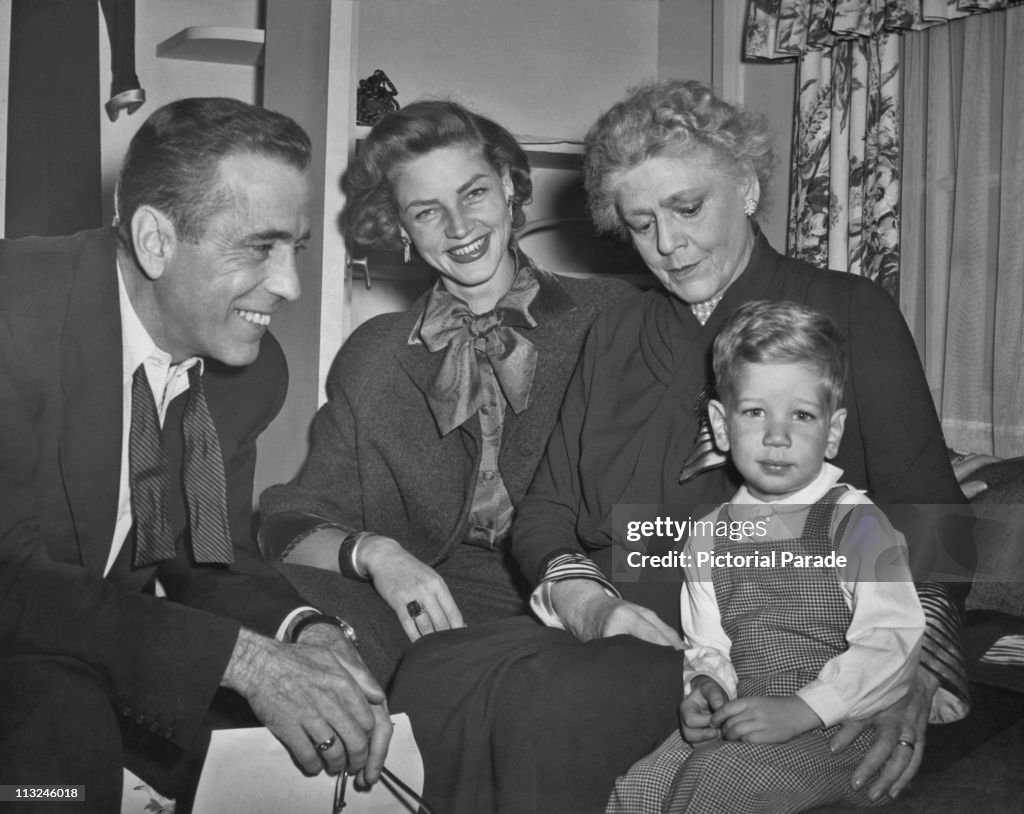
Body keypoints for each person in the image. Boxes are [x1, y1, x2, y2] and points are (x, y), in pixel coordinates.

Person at [390, 80, 974, 812]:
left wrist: (912, 675)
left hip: (748, 649)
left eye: (688, 208)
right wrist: (584, 600)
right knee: (437, 669)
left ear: (749, 187)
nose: (668, 243)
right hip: (608, 620)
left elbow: (935, 518)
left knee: (550, 703)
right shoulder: (617, 331)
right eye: (639, 224)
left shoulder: (850, 311)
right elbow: (546, 509)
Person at [0, 98, 390, 812]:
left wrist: (305, 634)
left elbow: (207, 557)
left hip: (88, 646)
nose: (290, 287)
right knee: (60, 732)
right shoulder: (10, 316)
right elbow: (9, 582)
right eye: (258, 247)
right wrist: (244, 660)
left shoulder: (251, 374)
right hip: (29, 650)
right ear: (155, 239)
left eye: (295, 248)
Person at [259, 100, 631, 682]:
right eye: (427, 211)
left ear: (508, 184)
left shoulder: (613, 316)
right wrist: (378, 555)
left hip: (589, 597)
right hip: (430, 612)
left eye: (474, 193)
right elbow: (288, 523)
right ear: (401, 227)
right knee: (270, 603)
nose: (459, 228)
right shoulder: (375, 354)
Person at [608, 299, 938, 813]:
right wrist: (706, 687)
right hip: (747, 717)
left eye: (802, 415)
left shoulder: (854, 521)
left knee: (720, 782)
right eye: (755, 411)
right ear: (721, 424)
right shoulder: (707, 536)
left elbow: (892, 642)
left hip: (835, 725)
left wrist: (805, 708)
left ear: (832, 431)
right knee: (640, 787)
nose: (777, 436)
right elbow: (709, 642)